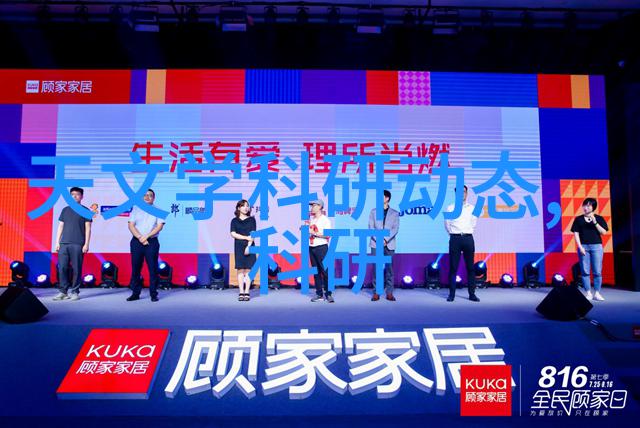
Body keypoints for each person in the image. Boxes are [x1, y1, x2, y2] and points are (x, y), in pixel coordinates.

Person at [53, 187, 92, 301]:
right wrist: (57, 242)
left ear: (82, 196)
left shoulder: (85, 210)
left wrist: (86, 244)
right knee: (62, 268)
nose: (74, 196)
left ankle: (75, 291)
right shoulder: (65, 210)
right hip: (64, 243)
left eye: (77, 194)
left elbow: (88, 229)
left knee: (76, 269)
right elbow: (60, 226)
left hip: (78, 243)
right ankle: (63, 291)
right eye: (72, 194)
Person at [126, 189, 165, 302]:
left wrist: (146, 236)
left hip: (151, 242)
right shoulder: (136, 209)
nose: (147, 197)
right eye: (145, 195)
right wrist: (140, 237)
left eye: (150, 195)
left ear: (154, 198)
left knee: (153, 268)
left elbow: (159, 227)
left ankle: (153, 294)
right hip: (136, 242)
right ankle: (135, 293)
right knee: (136, 268)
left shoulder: (158, 210)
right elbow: (131, 225)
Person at [444, 185, 480, 302]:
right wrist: (454, 234)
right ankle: (451, 294)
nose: (462, 194)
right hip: (455, 239)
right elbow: (447, 224)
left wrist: (466, 232)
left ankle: (472, 294)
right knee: (453, 267)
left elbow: (473, 223)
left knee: (470, 268)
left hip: (468, 238)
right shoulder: (450, 208)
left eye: (464, 192)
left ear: (467, 193)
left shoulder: (472, 208)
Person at [571, 198, 609, 301]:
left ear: (593, 207)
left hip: (597, 247)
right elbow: (576, 233)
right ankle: (588, 292)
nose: (585, 207)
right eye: (584, 205)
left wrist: (595, 222)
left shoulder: (599, 218)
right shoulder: (578, 219)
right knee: (585, 271)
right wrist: (580, 247)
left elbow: (604, 232)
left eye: (588, 205)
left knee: (597, 271)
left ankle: (597, 293)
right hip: (584, 247)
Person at [368, 190, 399, 301]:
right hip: (376, 243)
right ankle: (376, 292)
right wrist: (379, 240)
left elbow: (395, 228)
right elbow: (371, 228)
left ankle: (389, 292)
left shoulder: (395, 213)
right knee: (377, 268)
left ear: (387, 198)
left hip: (389, 244)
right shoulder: (373, 212)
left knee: (389, 269)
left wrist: (385, 239)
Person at [230, 200, 257, 301]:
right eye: (243, 206)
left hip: (250, 245)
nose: (246, 208)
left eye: (247, 206)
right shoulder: (234, 220)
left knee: (249, 269)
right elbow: (233, 234)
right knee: (240, 269)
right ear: (238, 208)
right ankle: (241, 291)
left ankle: (247, 292)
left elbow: (253, 234)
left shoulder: (252, 220)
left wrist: (249, 246)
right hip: (239, 246)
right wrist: (246, 237)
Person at [308, 200, 334, 303]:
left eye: (313, 205)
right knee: (316, 272)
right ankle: (319, 293)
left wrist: (313, 233)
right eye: (311, 206)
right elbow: (311, 233)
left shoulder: (325, 220)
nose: (312, 208)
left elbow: (328, 235)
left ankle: (328, 293)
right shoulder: (312, 220)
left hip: (322, 247)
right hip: (312, 247)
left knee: (325, 271)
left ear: (319, 207)